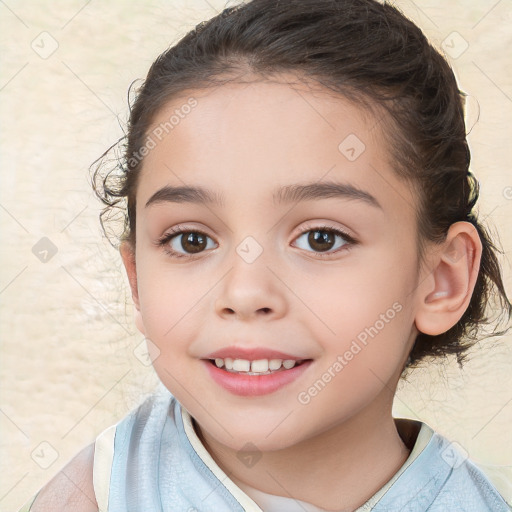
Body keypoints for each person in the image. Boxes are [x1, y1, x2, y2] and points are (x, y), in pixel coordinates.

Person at [19, 0, 512, 510]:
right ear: (138, 280)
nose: (245, 293)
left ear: (441, 280)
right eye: (191, 240)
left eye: (322, 238)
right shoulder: (99, 492)